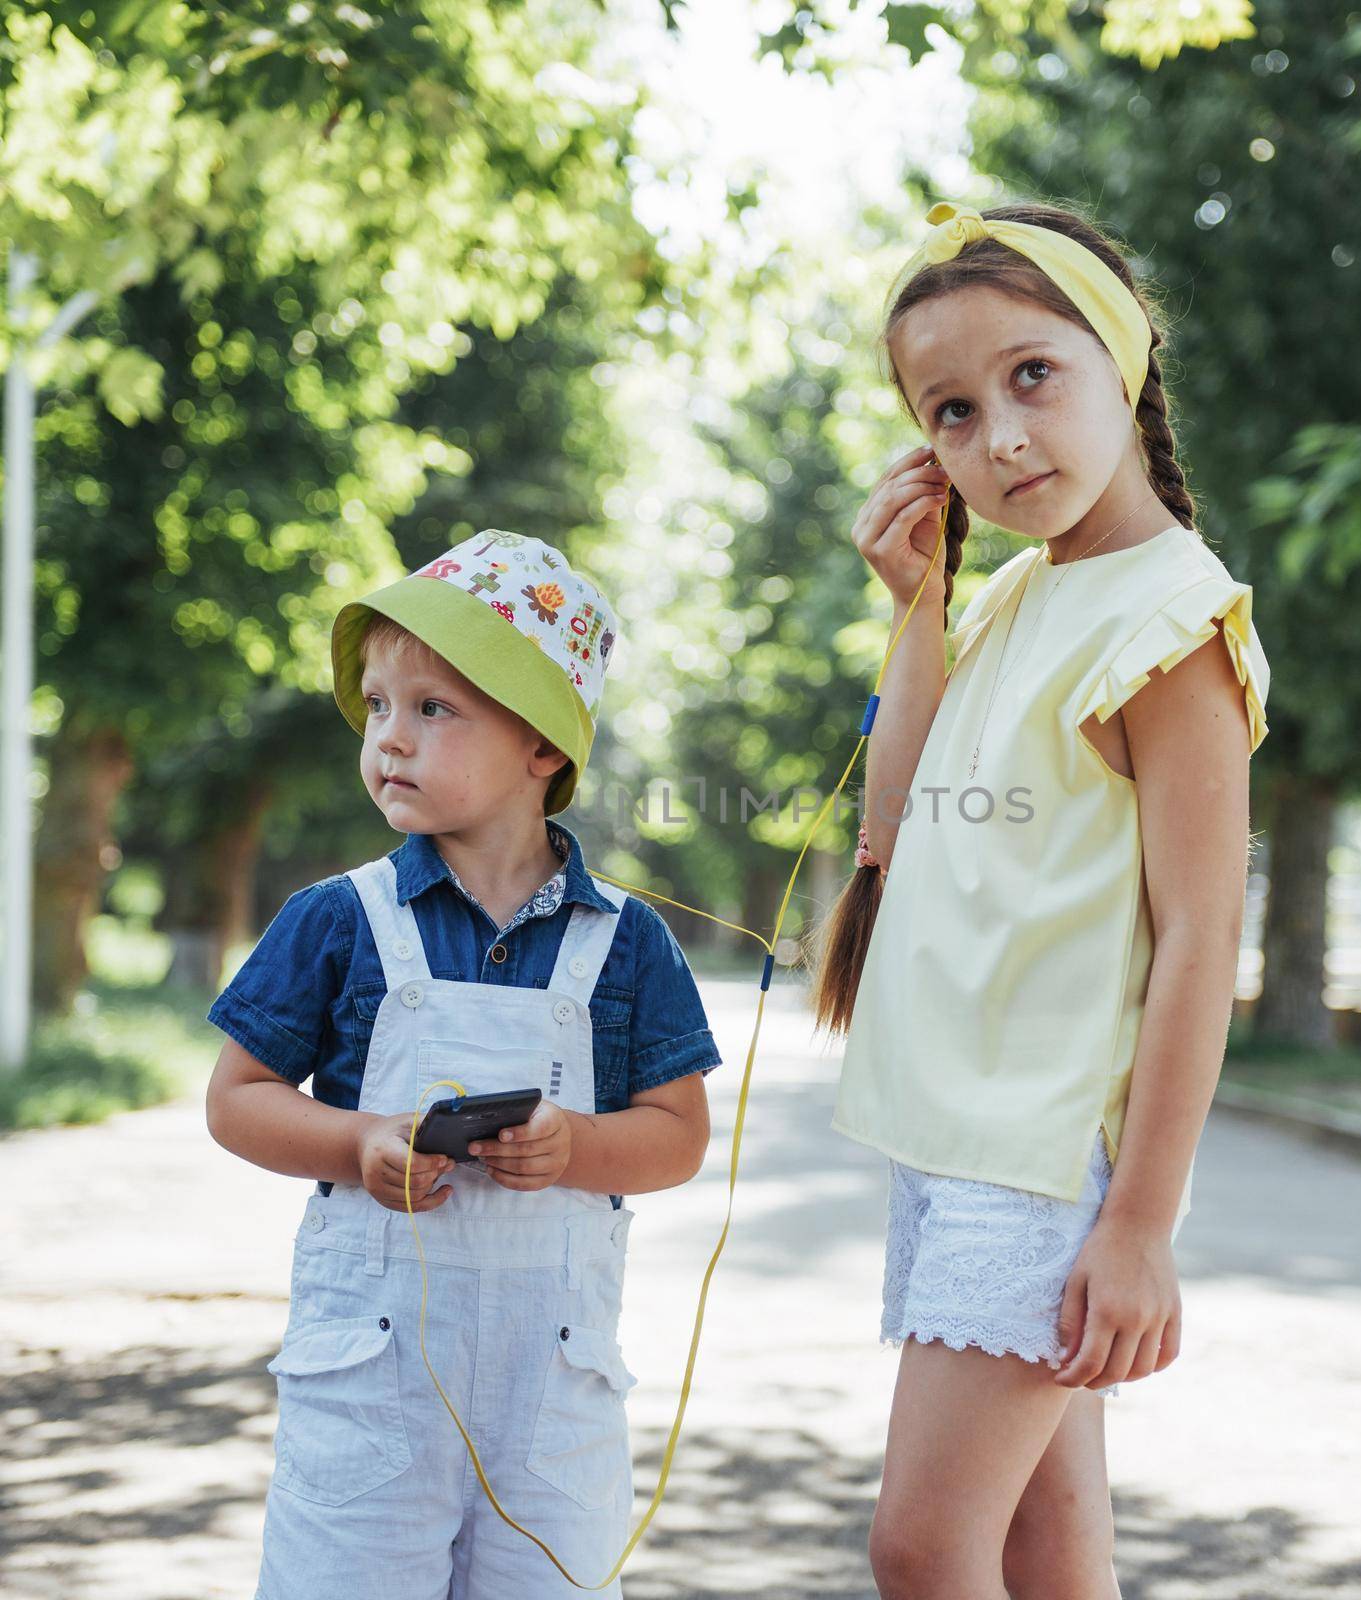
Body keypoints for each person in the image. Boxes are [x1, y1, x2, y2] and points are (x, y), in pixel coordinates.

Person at [807, 199, 1272, 1600]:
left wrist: (1139, 1224)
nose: (999, 437)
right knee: (1045, 1550)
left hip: (1044, 1160)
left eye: (1032, 376)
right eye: (949, 410)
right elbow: (894, 829)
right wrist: (917, 607)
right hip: (958, 1143)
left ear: (1119, 361)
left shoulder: (1172, 624)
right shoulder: (1010, 601)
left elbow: (1202, 936)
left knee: (922, 1547)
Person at [204, 530, 722, 1600]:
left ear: (542, 745)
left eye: (433, 708)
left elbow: (677, 1135)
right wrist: (356, 1140)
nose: (389, 737)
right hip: (368, 1400)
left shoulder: (629, 944)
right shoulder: (337, 920)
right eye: (380, 704)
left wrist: (576, 1144)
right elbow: (237, 1100)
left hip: (551, 1411)